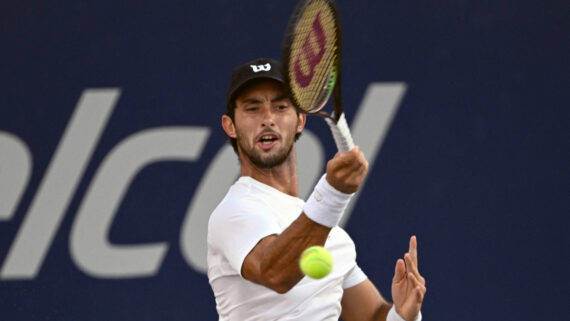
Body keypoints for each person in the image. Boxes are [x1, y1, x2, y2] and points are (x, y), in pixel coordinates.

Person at [207, 58, 426, 321]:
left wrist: (403, 314)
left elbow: (373, 316)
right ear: (230, 125)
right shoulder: (234, 212)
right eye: (253, 109)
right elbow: (275, 273)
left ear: (300, 120)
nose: (267, 119)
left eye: (280, 107)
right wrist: (333, 193)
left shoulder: (331, 237)